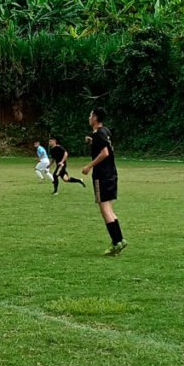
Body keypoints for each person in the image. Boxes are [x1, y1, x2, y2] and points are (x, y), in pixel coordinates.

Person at [82, 109, 127, 256]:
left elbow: (105, 153)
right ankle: (120, 240)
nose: (89, 117)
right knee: (109, 209)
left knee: (105, 210)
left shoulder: (98, 133)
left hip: (102, 175)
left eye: (90, 115)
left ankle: (116, 243)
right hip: (111, 173)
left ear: (95, 118)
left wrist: (89, 166)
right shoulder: (105, 131)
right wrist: (92, 141)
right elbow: (107, 146)